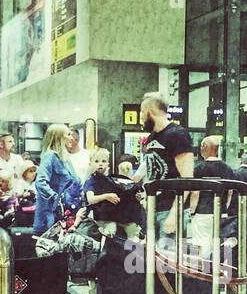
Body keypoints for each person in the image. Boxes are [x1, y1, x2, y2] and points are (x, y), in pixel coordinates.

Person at [136, 92, 196, 236]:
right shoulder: (151, 138)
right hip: (152, 208)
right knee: (152, 256)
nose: (142, 118)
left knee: (168, 255)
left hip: (170, 209)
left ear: (150, 112)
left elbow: (187, 178)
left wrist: (175, 214)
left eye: (143, 113)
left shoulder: (177, 134)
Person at [84, 148, 143, 240]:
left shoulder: (110, 180)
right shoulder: (92, 181)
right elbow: (90, 199)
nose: (100, 164)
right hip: (99, 217)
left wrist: (135, 197)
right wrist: (106, 196)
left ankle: (132, 252)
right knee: (111, 229)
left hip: (114, 216)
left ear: (108, 164)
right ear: (90, 163)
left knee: (133, 230)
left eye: (103, 161)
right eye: (96, 161)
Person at [33, 123, 82, 232]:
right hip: (51, 216)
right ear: (59, 137)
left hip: (66, 214)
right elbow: (40, 182)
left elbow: (75, 181)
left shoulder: (65, 158)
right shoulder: (50, 156)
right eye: (68, 134)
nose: (71, 137)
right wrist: (57, 198)